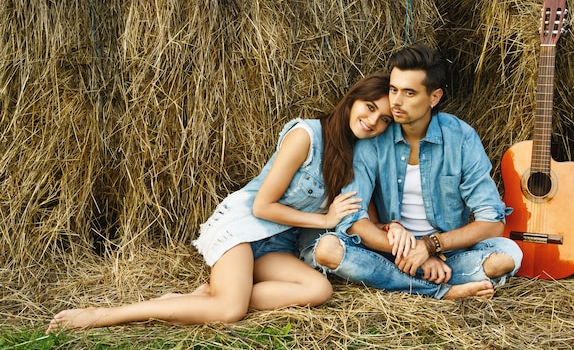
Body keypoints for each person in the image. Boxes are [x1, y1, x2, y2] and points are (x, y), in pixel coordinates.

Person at [47, 73, 393, 332]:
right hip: (244, 226)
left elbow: (363, 214)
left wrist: (390, 230)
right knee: (230, 311)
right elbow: (262, 206)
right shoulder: (306, 134)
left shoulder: (354, 158)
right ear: (352, 100)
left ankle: (199, 299)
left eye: (385, 120)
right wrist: (325, 221)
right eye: (370, 107)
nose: (373, 120)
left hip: (278, 244)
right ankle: (101, 316)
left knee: (318, 289)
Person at [302, 42, 523, 300]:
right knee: (328, 249)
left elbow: (492, 222)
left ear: (434, 97)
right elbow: (355, 219)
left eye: (409, 93)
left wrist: (430, 246)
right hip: (388, 249)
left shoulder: (461, 138)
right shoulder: (373, 140)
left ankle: (395, 278)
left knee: (507, 256)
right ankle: (442, 290)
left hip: (448, 252)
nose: (395, 101)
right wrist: (410, 253)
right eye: (393, 89)